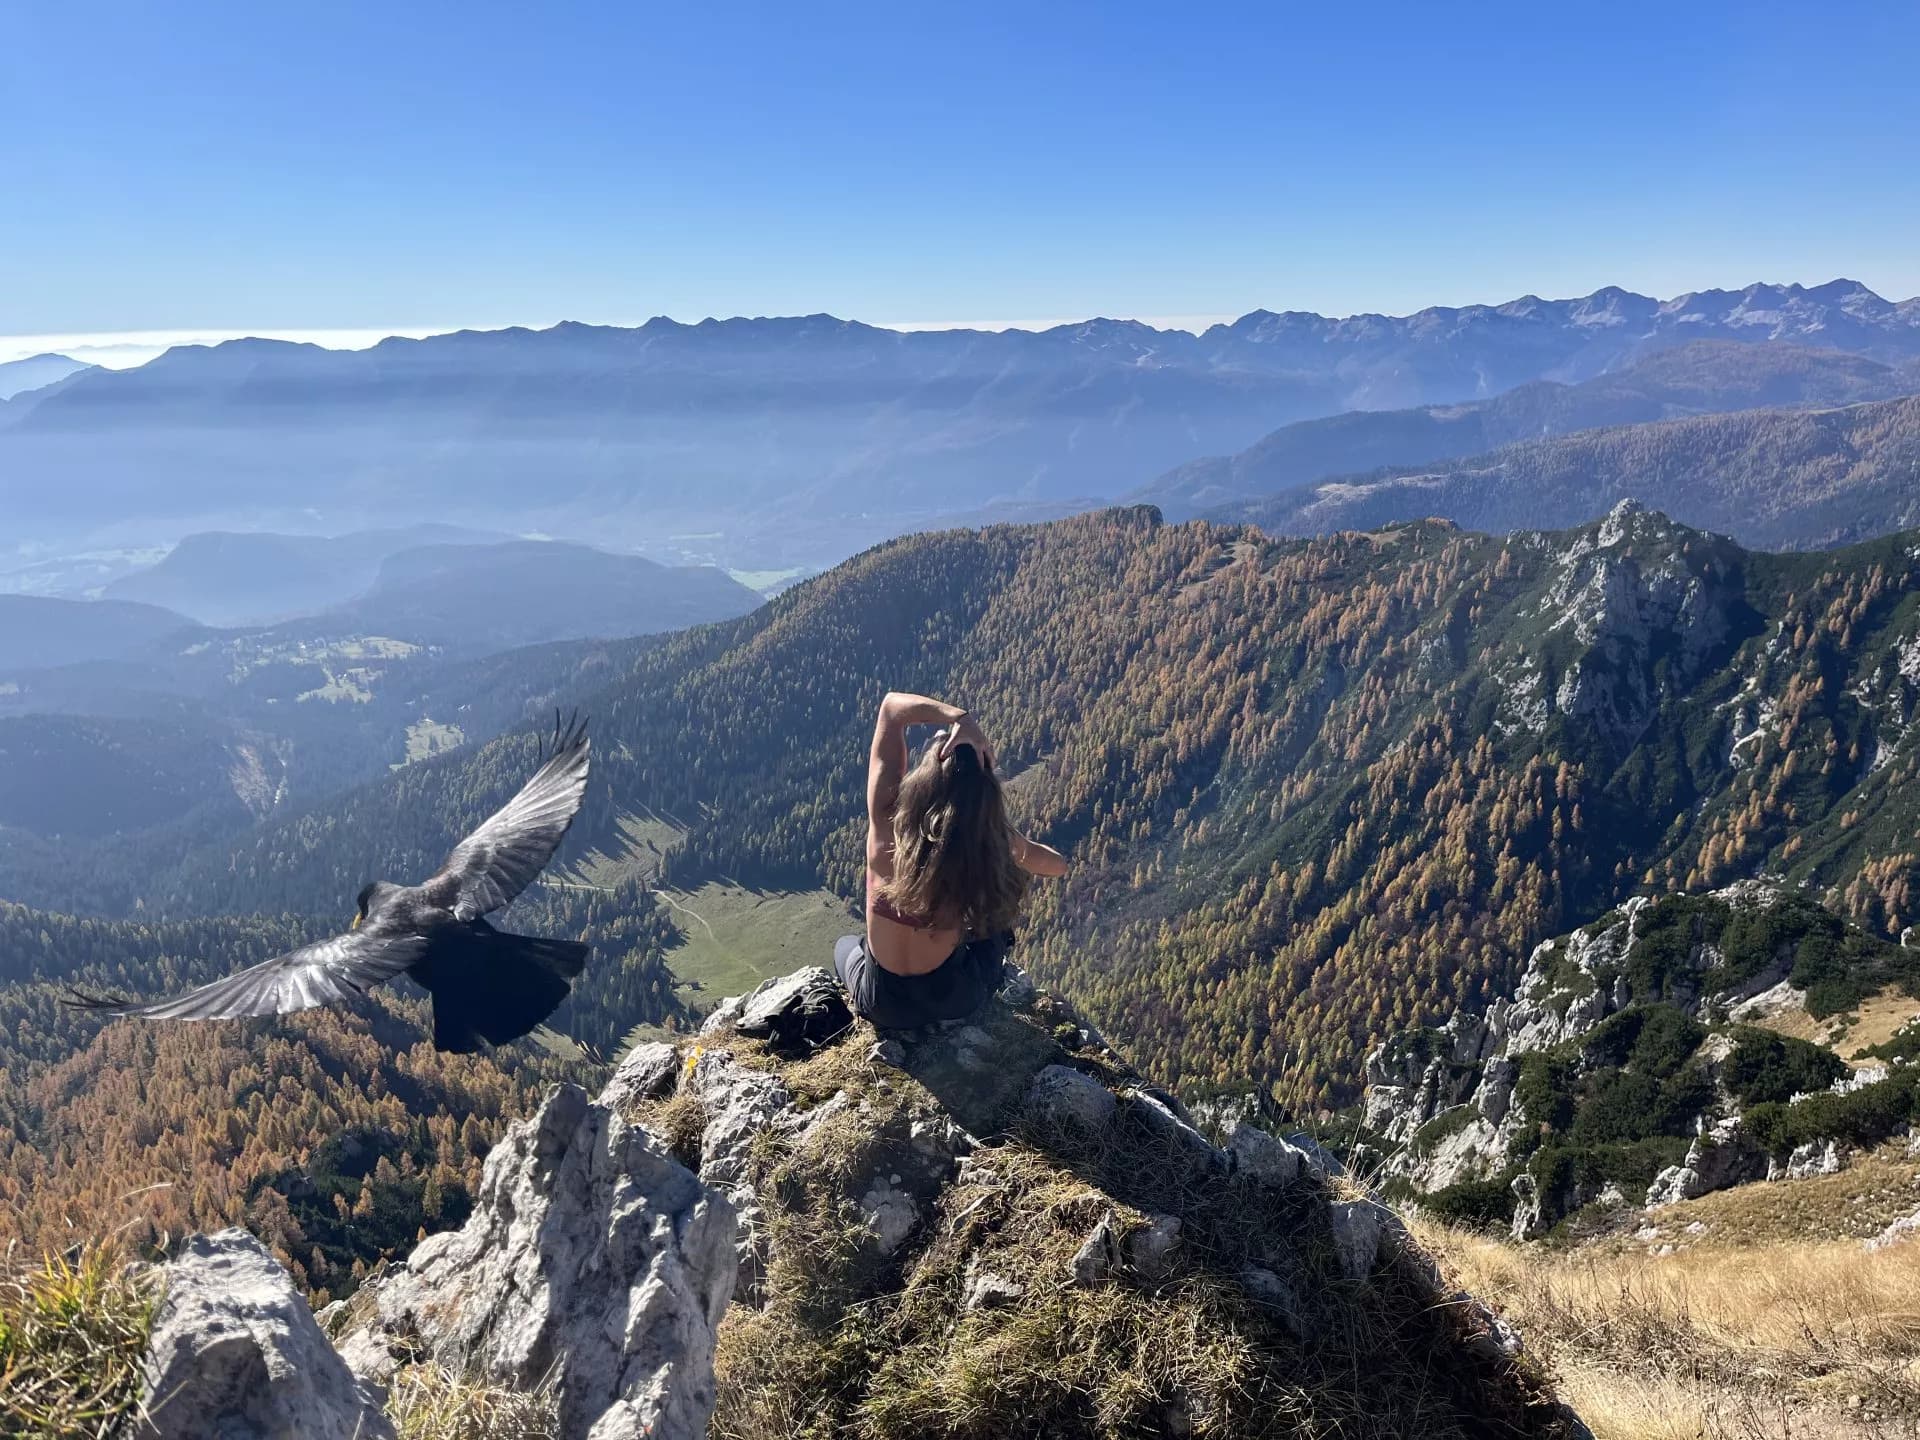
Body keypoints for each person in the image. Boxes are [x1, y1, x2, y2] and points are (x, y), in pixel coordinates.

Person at [834, 691, 1069, 1029]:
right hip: (953, 999)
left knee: (846, 946)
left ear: (924, 781)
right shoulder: (987, 845)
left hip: (883, 1003)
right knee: (992, 928)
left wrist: (959, 718)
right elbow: (1055, 865)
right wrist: (1002, 836)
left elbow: (890, 708)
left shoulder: (885, 821)